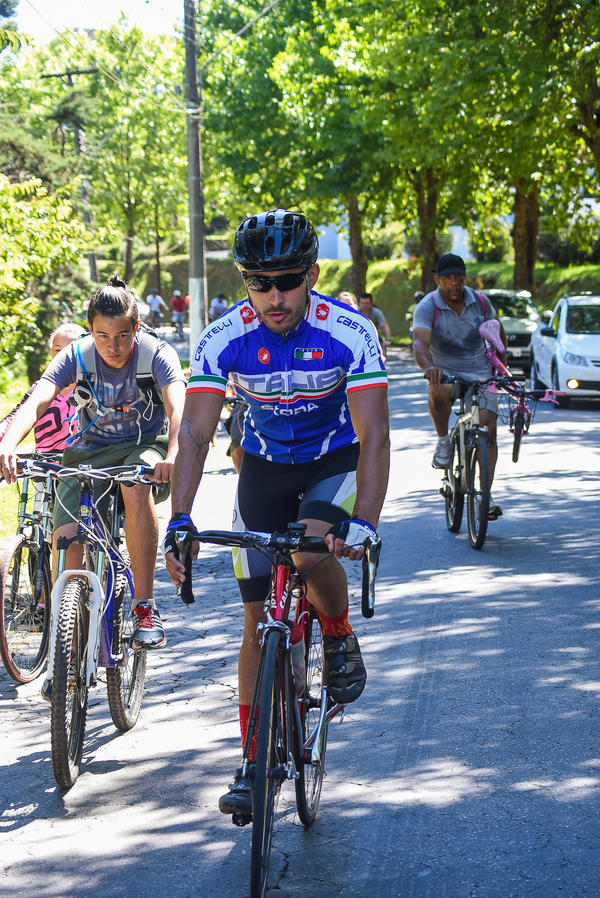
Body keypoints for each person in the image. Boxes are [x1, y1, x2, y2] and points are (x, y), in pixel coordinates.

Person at [164, 208, 390, 820]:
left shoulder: (349, 331)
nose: (274, 296)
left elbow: (375, 437)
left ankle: (339, 633)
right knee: (254, 616)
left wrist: (365, 522)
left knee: (311, 550)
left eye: (288, 280)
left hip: (332, 460)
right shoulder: (223, 336)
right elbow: (194, 434)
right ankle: (252, 760)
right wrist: (179, 518)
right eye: (259, 283)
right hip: (261, 467)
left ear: (313, 274)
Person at [0, 275, 187, 678]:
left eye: (122, 336)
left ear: (135, 328)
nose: (112, 347)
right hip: (89, 451)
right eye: (102, 335)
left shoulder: (156, 353)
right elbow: (38, 399)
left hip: (145, 448)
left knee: (134, 488)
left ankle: (144, 607)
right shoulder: (78, 355)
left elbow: (178, 410)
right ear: (90, 330)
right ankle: (68, 642)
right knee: (68, 540)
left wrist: (173, 454)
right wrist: (10, 443)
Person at [412, 252, 507, 520]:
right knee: (438, 391)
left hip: (480, 370)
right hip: (447, 370)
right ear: (437, 279)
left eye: (459, 278)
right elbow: (419, 343)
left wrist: (502, 366)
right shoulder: (428, 306)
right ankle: (444, 441)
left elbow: (497, 332)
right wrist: (429, 367)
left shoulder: (479, 301)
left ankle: (485, 496)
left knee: (488, 429)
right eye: (448, 278)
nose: (454, 283)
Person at [0, 323, 86, 450]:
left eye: (70, 349)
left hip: (85, 467)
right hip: (45, 466)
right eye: (58, 350)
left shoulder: (93, 389)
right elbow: (14, 418)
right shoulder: (40, 389)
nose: (64, 356)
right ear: (51, 352)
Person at [359, 292, 392, 360]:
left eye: (366, 303)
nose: (364, 305)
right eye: (362, 303)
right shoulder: (356, 312)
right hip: (359, 339)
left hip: (375, 338)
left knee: (382, 355)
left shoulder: (376, 312)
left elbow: (384, 325)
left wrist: (388, 339)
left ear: (371, 304)